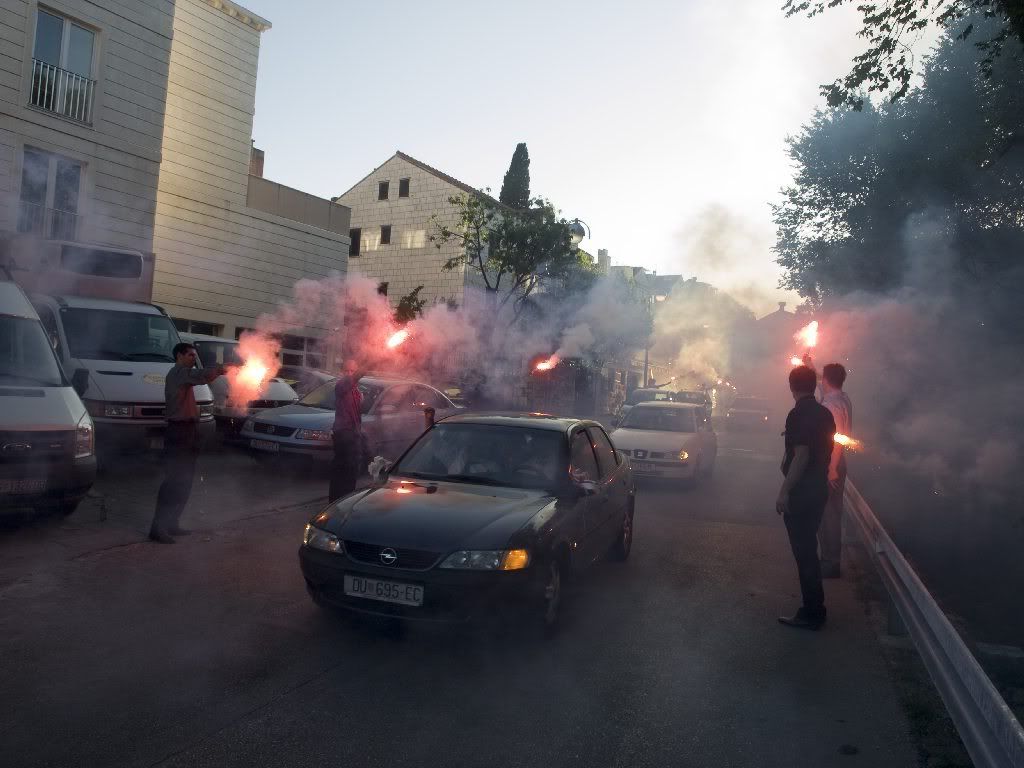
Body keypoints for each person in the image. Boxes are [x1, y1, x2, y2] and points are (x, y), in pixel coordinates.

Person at [776, 365, 836, 630]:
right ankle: (815, 608)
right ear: (814, 385)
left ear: (792, 387)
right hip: (819, 489)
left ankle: (812, 612)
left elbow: (801, 456)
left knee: (805, 554)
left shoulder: (798, 414)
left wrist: (784, 491)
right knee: (809, 549)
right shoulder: (825, 414)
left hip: (802, 492)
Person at [150, 343, 225, 544]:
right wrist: (221, 369)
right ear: (179, 356)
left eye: (194, 355)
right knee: (174, 481)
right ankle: (158, 528)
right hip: (178, 432)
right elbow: (202, 375)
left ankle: (172, 523)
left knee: (185, 481)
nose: (193, 358)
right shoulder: (178, 373)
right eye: (191, 355)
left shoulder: (184, 374)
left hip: (188, 431)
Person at [819, 363, 854, 578]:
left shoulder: (832, 405)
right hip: (838, 461)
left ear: (826, 379)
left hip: (833, 462)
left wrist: (831, 468)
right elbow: (824, 388)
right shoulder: (843, 398)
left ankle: (831, 564)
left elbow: (838, 438)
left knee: (829, 515)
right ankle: (829, 560)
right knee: (830, 513)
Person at [329, 359, 364, 502]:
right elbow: (351, 380)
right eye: (347, 371)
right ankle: (335, 503)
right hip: (343, 434)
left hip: (353, 434)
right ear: (342, 373)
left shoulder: (357, 392)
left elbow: (357, 416)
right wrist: (371, 360)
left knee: (352, 471)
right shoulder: (340, 386)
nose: (349, 374)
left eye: (352, 371)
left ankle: (346, 502)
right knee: (341, 472)